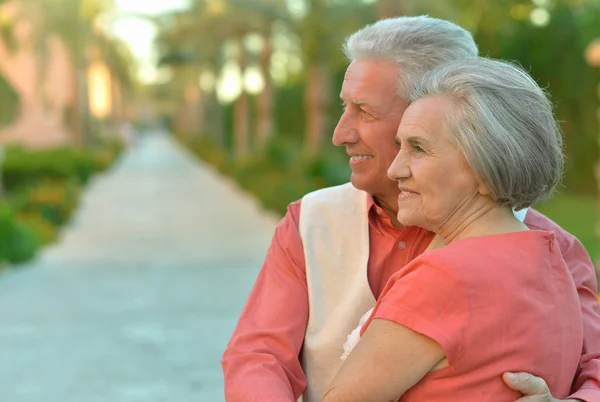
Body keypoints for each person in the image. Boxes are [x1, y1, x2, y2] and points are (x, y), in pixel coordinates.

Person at [221, 16, 600, 402]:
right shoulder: (312, 221)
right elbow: (259, 355)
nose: (340, 134)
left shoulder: (555, 248)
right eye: (344, 107)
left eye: (365, 112)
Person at [322, 56, 582, 402]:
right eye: (400, 146)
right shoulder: (552, 262)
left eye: (418, 148)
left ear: (487, 167)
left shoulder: (444, 278)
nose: (396, 169)